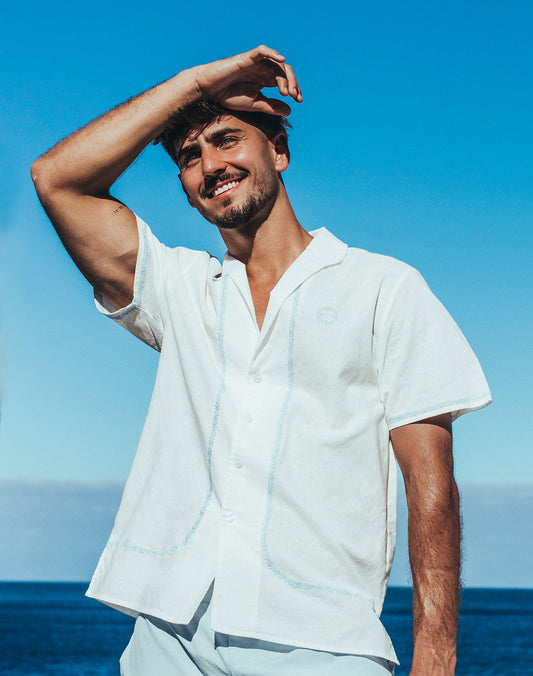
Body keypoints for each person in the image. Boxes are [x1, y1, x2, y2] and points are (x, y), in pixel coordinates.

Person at [31, 46, 491, 675]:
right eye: (189, 157)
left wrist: (435, 658)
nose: (210, 165)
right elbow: (56, 178)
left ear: (279, 151)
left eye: (226, 140)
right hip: (169, 634)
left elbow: (430, 484)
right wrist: (195, 82)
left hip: (321, 640)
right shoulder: (182, 289)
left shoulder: (384, 288)